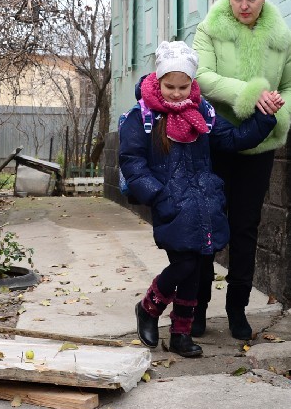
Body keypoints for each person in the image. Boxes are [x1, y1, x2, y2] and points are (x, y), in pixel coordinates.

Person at [119, 40, 278, 357]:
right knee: (184, 265)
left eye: (183, 86)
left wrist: (263, 118)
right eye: (170, 86)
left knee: (195, 268)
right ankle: (149, 308)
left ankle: (181, 335)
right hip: (170, 205)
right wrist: (160, 197)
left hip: (203, 205)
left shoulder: (201, 112)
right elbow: (133, 165)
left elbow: (232, 139)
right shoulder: (143, 117)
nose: (177, 93)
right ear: (159, 80)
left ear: (192, 83)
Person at [192, 0, 291, 340]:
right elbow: (202, 77)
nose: (244, 5)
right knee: (205, 227)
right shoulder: (210, 29)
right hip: (215, 141)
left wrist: (277, 112)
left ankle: (237, 308)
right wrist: (250, 95)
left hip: (258, 146)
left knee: (245, 228)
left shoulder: (281, 36)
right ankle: (196, 308)